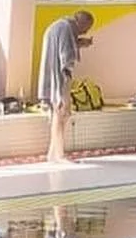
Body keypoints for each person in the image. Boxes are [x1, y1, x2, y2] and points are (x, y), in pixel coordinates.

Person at [38, 10, 94, 164]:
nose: (86, 31)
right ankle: (60, 155)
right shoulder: (66, 28)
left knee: (60, 113)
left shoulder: (61, 25)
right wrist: (66, 77)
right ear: (81, 22)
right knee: (60, 113)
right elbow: (65, 54)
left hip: (53, 74)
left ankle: (52, 152)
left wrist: (81, 43)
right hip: (60, 77)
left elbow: (66, 45)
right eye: (86, 27)